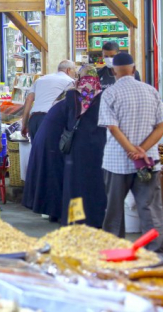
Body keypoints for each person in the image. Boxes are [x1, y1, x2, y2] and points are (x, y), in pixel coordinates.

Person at [98, 52, 163, 256]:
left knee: (114, 209)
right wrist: (142, 150)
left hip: (117, 161)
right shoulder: (151, 91)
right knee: (150, 208)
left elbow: (112, 128)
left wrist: (131, 150)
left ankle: (114, 249)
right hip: (148, 161)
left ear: (113, 72)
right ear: (134, 69)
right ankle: (156, 252)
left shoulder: (110, 94)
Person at [60, 68, 108, 228]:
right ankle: (96, 219)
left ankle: (75, 219)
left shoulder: (71, 95)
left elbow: (66, 119)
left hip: (76, 145)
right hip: (98, 145)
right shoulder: (103, 95)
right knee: (96, 182)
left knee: (75, 184)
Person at [21, 60, 76, 141]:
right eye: (74, 71)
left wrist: (24, 124)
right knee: (52, 151)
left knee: (36, 151)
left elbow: (29, 99)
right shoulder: (70, 81)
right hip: (51, 119)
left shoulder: (40, 79)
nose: (75, 74)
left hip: (34, 119)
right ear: (68, 70)